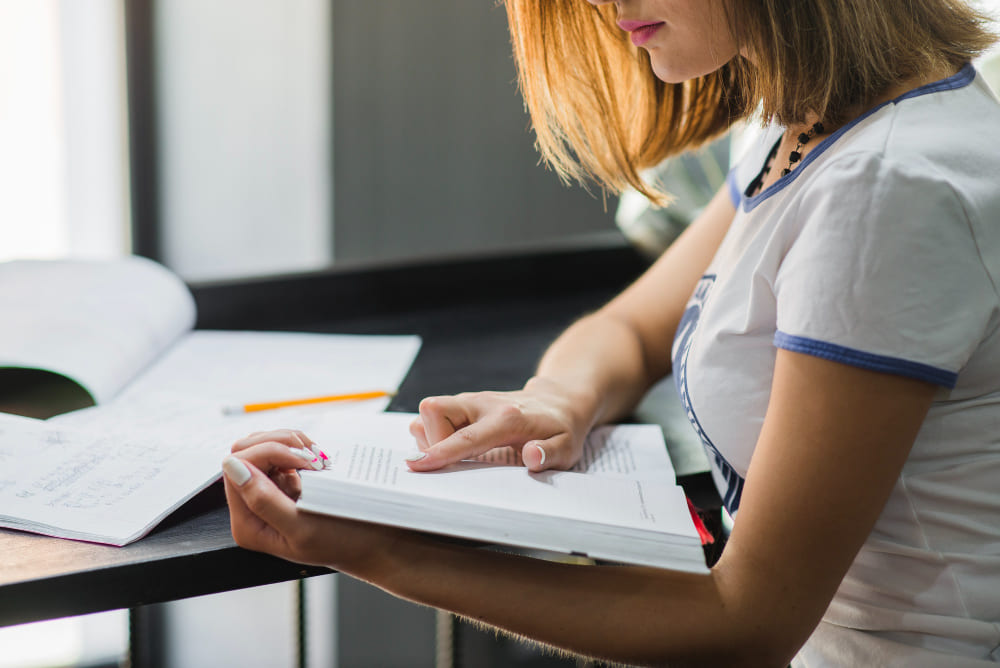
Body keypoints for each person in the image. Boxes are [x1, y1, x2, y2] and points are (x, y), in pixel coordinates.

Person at [221, 1, 1000, 665]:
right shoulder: (802, 125)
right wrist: (559, 399)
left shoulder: (887, 187)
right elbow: (631, 329)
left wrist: (376, 547)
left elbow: (749, 619)